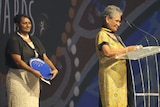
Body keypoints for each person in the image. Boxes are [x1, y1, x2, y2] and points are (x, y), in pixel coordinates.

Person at [5, 14, 58, 107]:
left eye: (29, 23)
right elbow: (18, 61)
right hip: (18, 78)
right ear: (17, 25)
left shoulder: (35, 40)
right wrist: (33, 71)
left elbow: (44, 57)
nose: (27, 25)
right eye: (24, 23)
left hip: (33, 79)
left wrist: (54, 69)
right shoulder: (14, 40)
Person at [95, 5, 142, 107]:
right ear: (108, 19)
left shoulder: (117, 37)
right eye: (116, 21)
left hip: (121, 80)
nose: (118, 24)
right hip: (110, 78)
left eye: (119, 21)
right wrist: (128, 49)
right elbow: (107, 52)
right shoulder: (102, 34)